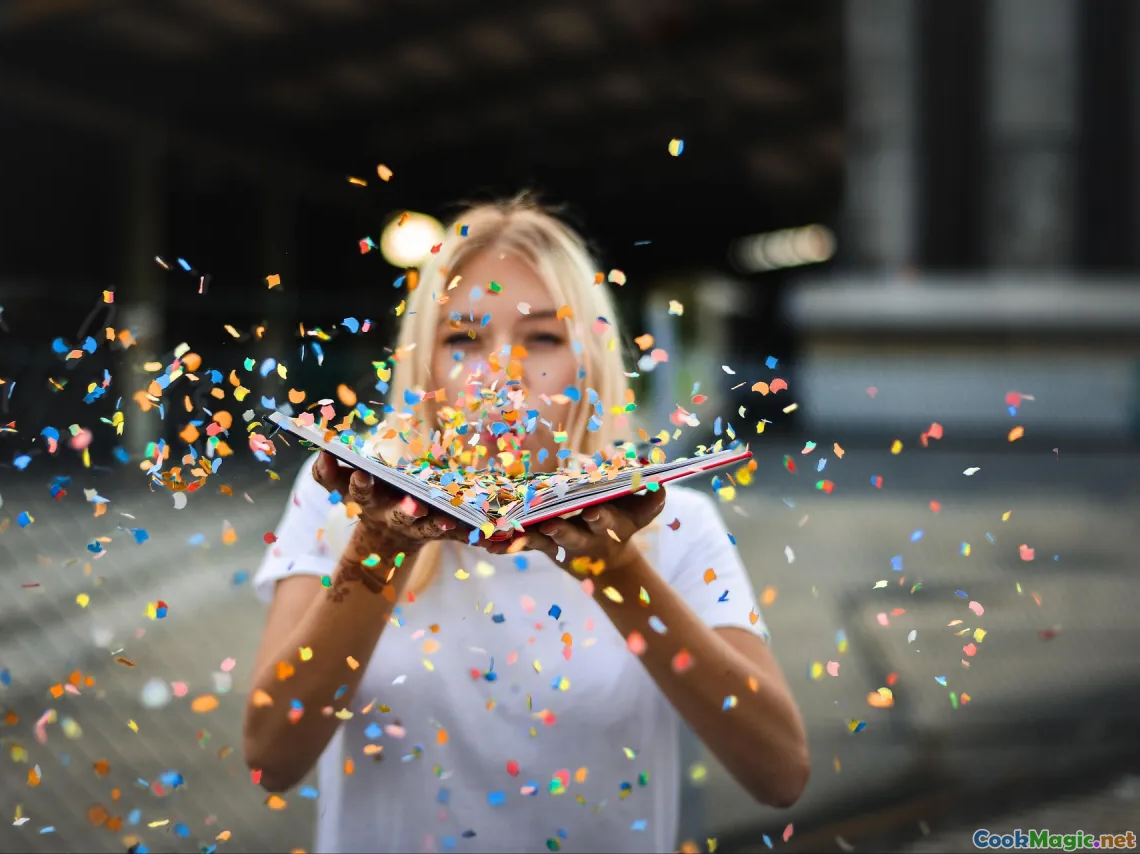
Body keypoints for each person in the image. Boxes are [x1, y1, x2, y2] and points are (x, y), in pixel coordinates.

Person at [243, 196, 809, 853]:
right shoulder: (340, 504)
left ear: (589, 363)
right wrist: (380, 546)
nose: (501, 373)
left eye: (542, 337)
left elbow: (780, 774)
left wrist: (618, 572)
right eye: (462, 338)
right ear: (424, 366)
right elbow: (271, 760)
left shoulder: (674, 522)